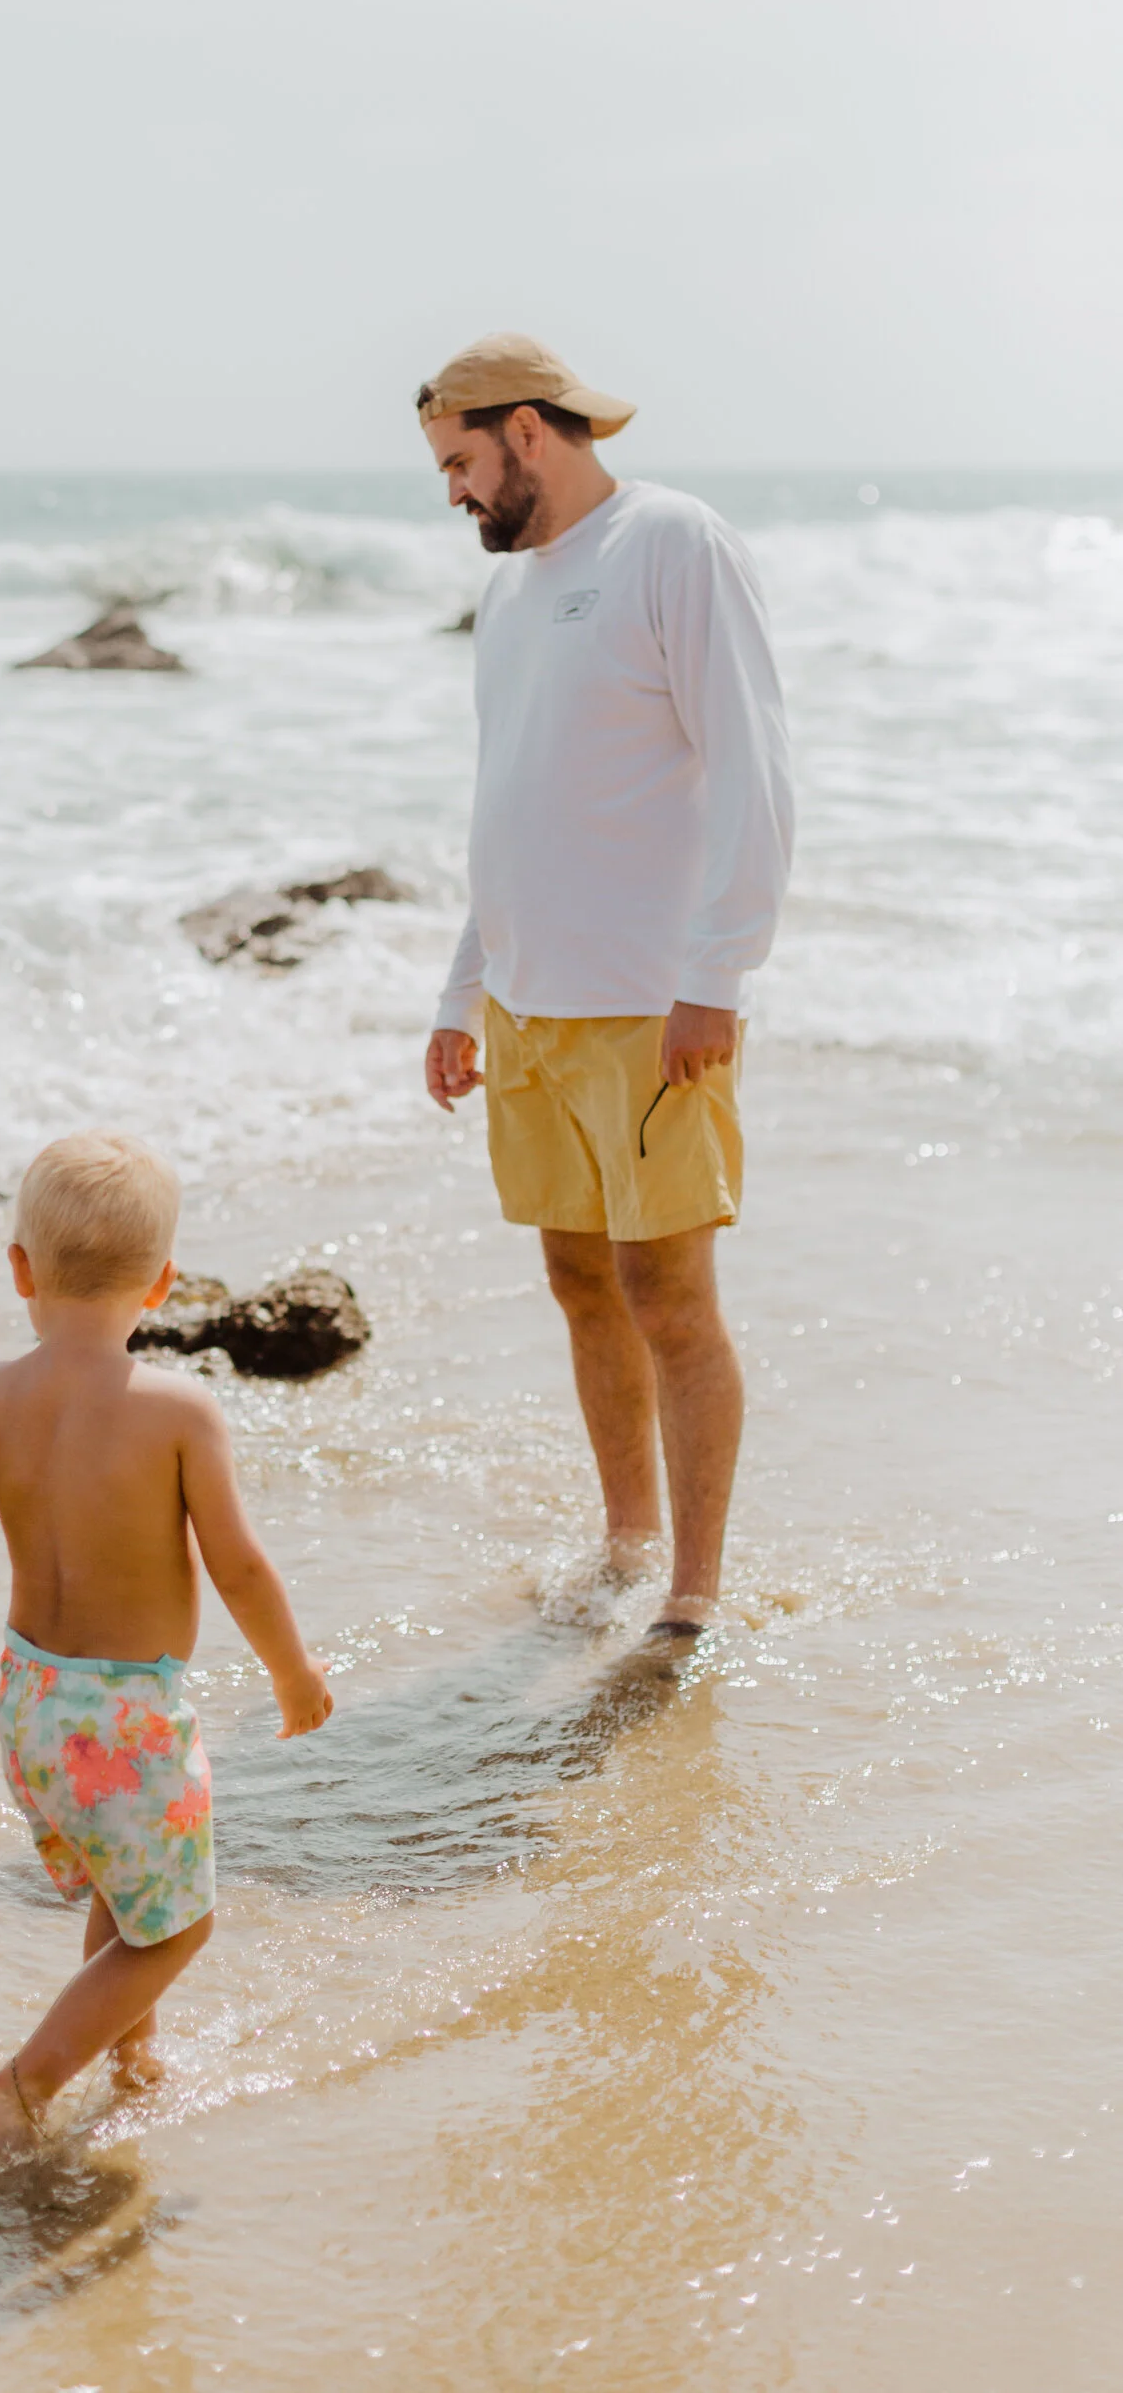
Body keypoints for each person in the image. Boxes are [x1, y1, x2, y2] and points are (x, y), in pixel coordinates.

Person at [418, 333, 794, 1637]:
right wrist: (464, 992)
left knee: (668, 1299)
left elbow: (752, 765)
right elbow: (510, 809)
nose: (454, 492)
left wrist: (718, 973)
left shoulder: (673, 544)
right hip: (528, 1009)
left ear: (529, 430)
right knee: (581, 1286)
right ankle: (627, 1542)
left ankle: (692, 1593)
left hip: (650, 1004)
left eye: (461, 462)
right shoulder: (514, 593)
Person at [0, 1128, 333, 2145]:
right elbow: (239, 1566)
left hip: (30, 1704)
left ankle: (133, 2055)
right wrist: (293, 1672)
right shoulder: (178, 1409)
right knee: (181, 1920)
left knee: (126, 1884)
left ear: (20, 1271)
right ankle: (21, 2084)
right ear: (164, 1284)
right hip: (129, 1715)